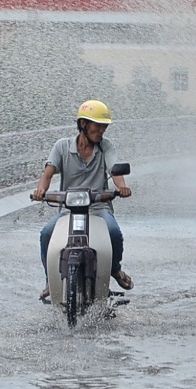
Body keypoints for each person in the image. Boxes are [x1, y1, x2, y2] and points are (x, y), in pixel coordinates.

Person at [30, 99, 132, 302]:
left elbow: (114, 169)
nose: (101, 130)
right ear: (84, 124)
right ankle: (51, 279)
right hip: (69, 210)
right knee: (46, 234)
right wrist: (41, 190)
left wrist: (121, 186)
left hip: (98, 208)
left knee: (114, 232)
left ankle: (115, 269)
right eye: (97, 125)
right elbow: (48, 173)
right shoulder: (62, 147)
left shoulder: (106, 147)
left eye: (104, 126)